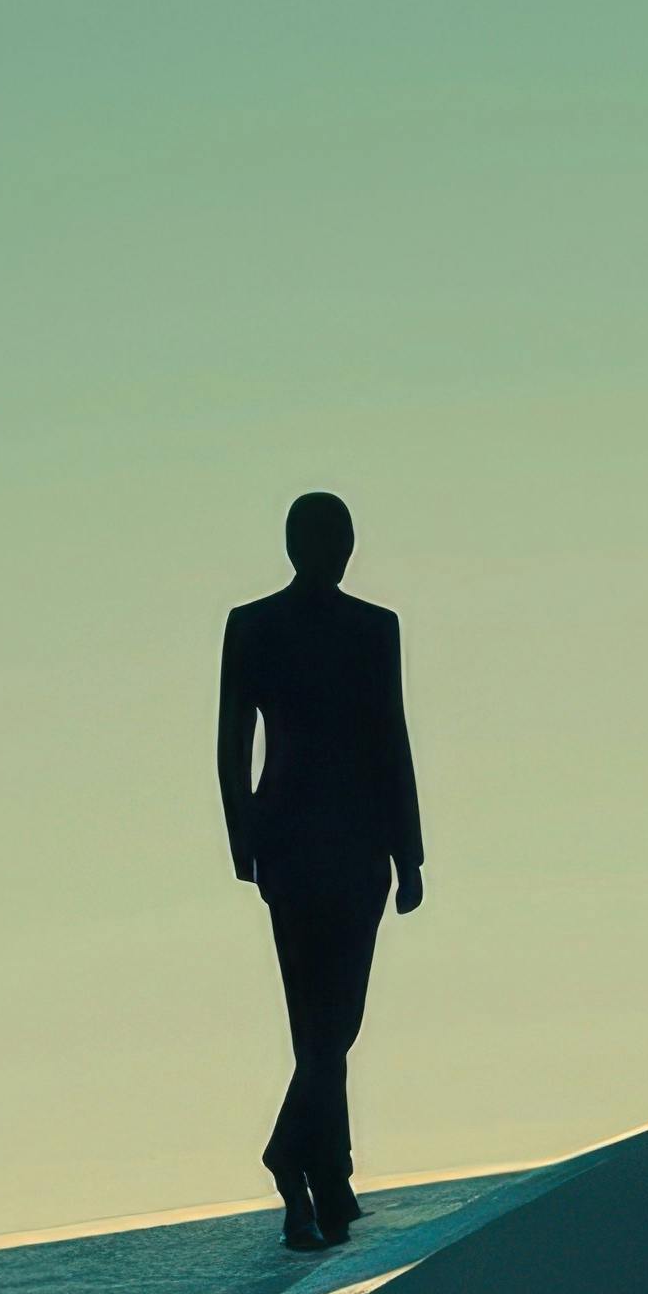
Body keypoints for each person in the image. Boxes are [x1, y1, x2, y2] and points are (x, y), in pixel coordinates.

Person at [216, 491, 424, 1249]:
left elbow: (390, 738)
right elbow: (231, 741)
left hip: (343, 847)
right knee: (323, 1022)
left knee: (332, 1023)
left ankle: (326, 1175)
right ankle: (305, 1169)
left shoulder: (374, 629)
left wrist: (410, 852)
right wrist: (244, 842)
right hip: (305, 846)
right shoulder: (259, 625)